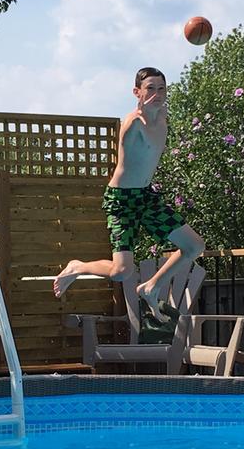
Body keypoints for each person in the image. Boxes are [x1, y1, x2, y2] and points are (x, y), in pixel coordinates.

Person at [53, 67, 205, 321]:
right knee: (121, 272)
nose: (156, 94)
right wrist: (141, 116)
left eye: (161, 89)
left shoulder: (162, 117)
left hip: (145, 197)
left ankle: (152, 286)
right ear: (137, 92)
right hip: (122, 201)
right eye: (150, 89)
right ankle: (77, 267)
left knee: (194, 246)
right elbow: (131, 128)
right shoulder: (132, 121)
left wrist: (155, 111)